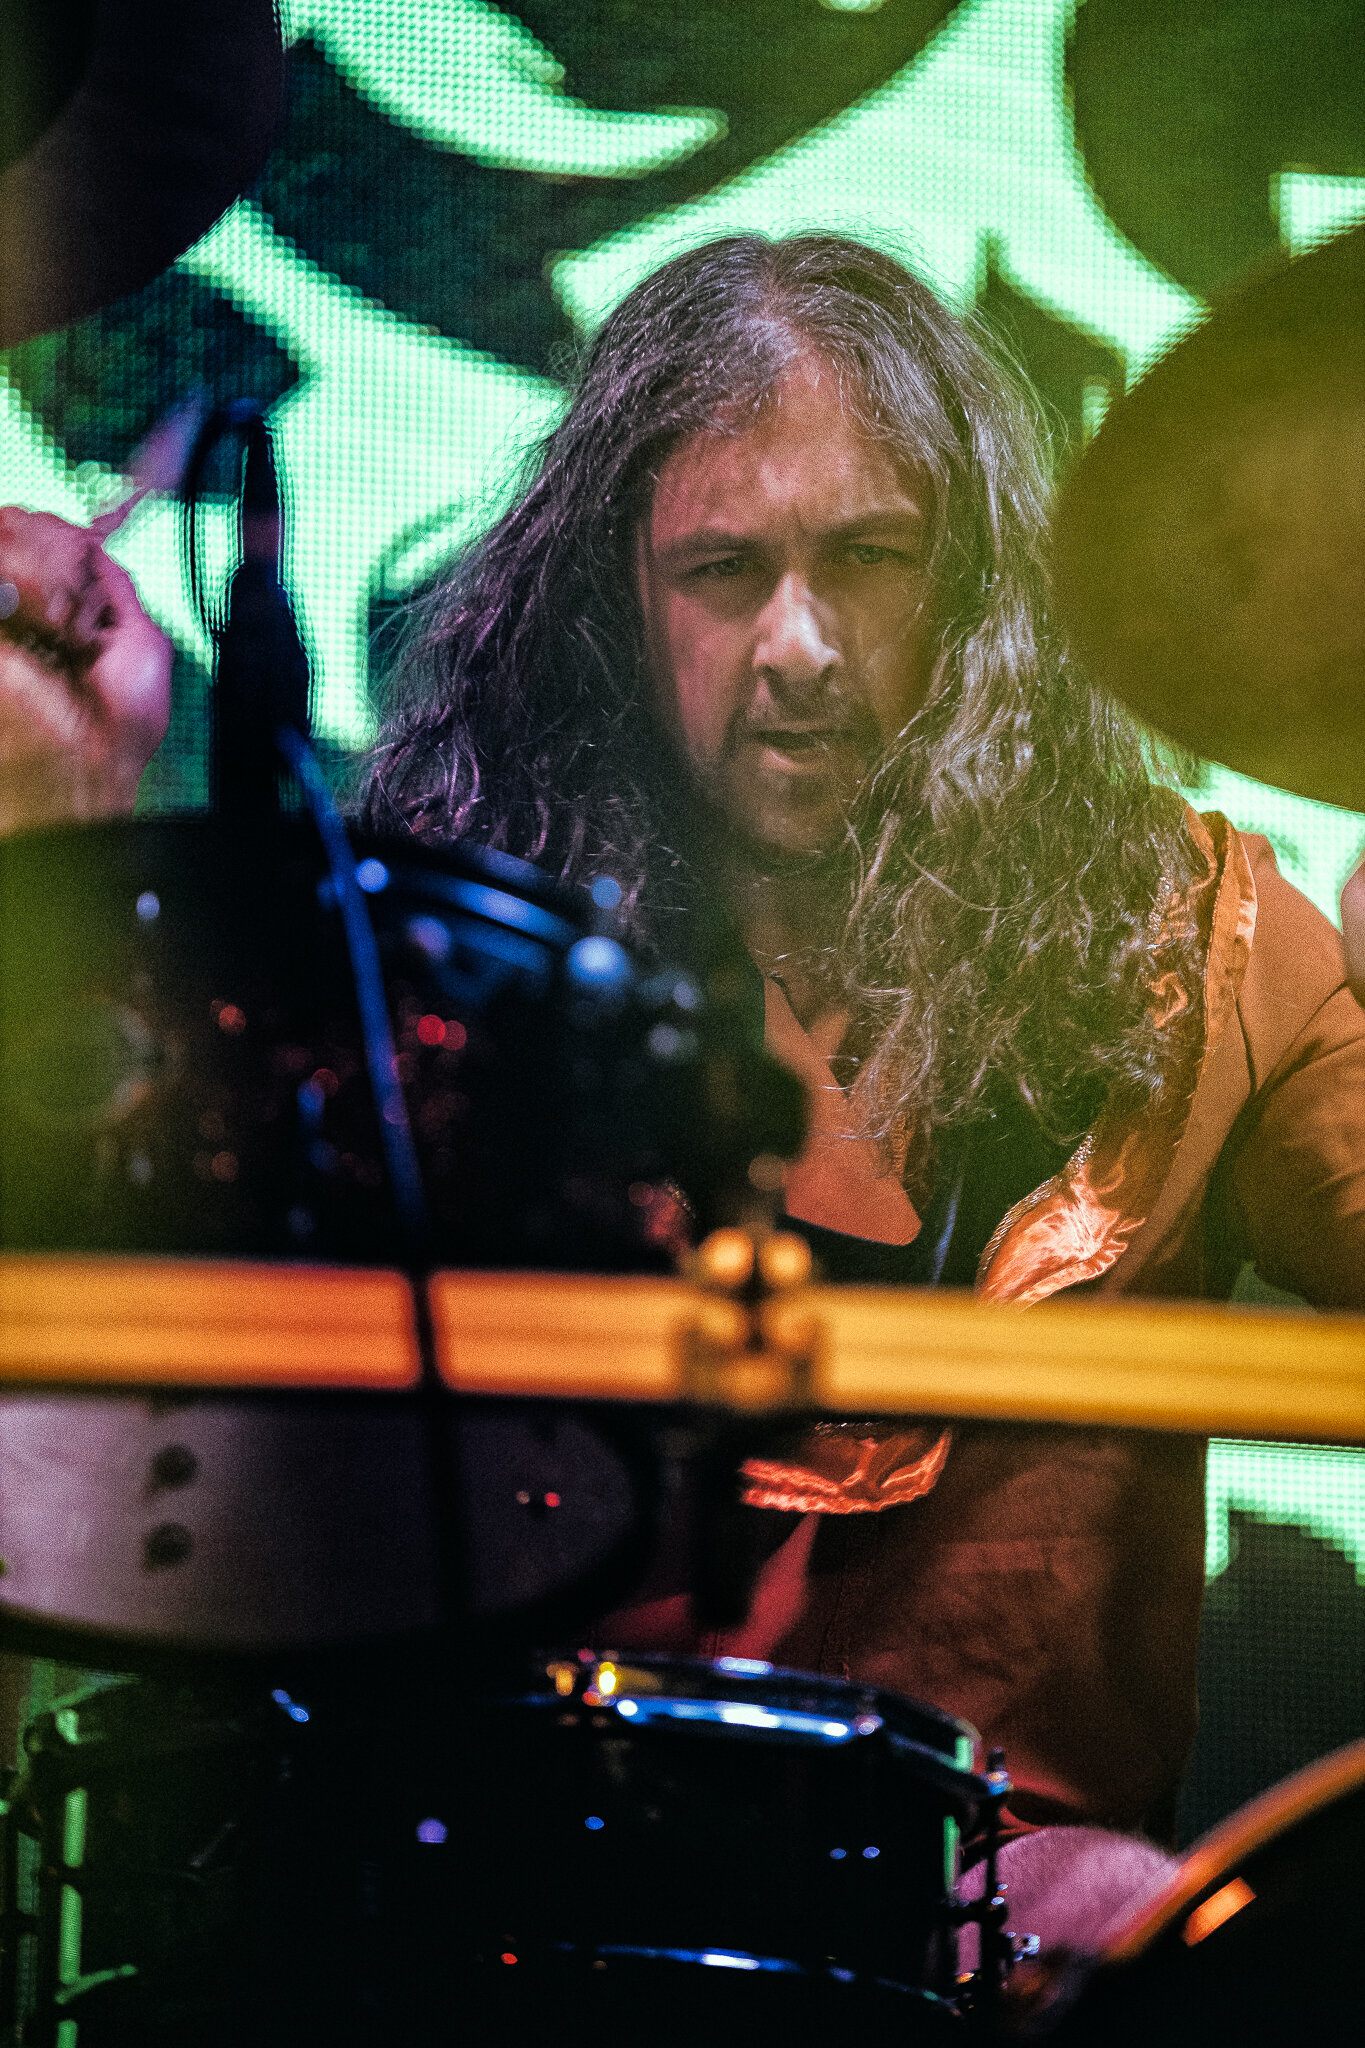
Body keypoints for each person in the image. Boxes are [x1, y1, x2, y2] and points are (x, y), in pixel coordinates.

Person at [2, 234, 1363, 1953]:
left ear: (973, 588)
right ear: (612, 609)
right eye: (721, 570)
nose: (798, 645)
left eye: (868, 559)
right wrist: (49, 822)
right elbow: (119, 1455)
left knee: (1128, 1918)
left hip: (1004, 1918)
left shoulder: (1211, 936)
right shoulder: (430, 976)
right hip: (487, 1891)